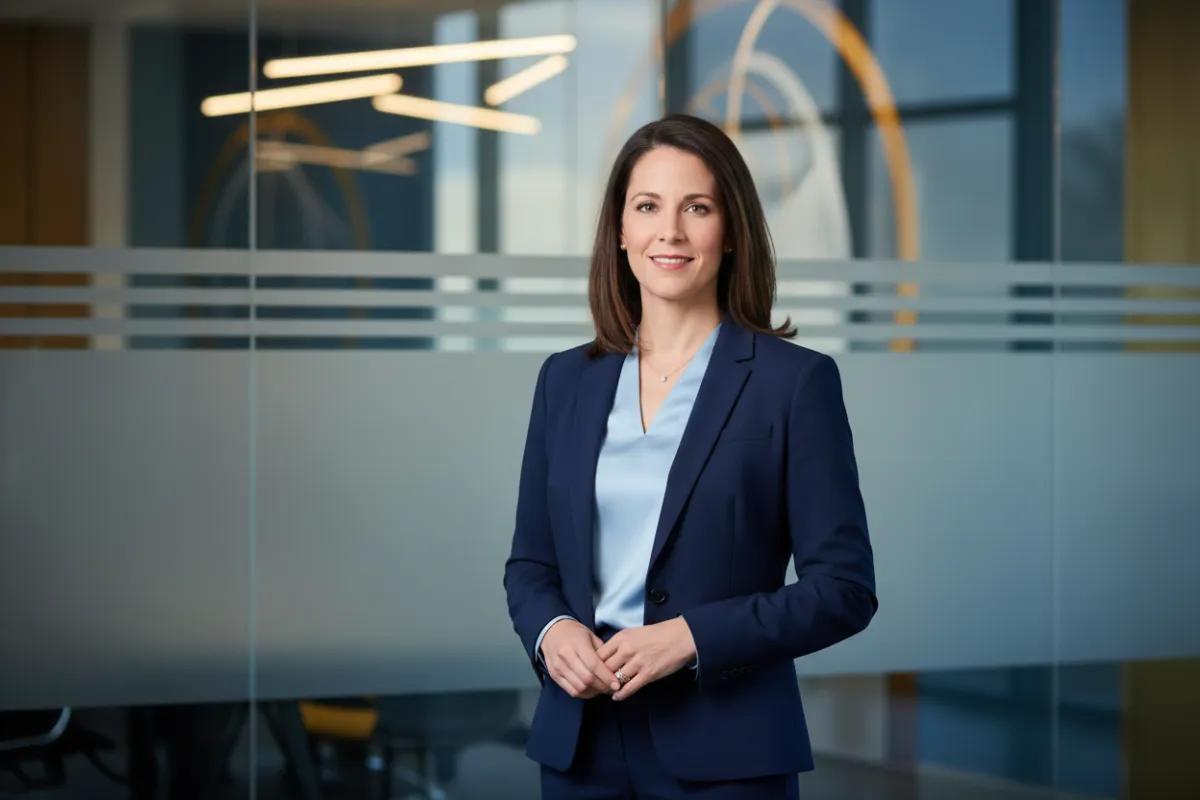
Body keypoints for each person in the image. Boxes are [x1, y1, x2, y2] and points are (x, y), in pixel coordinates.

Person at [503, 113, 877, 799]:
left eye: (696, 208)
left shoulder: (793, 382)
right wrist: (553, 633)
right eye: (647, 207)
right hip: (579, 748)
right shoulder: (566, 379)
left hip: (728, 753)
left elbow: (844, 591)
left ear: (729, 229)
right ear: (620, 230)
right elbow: (531, 564)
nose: (669, 232)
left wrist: (691, 638)